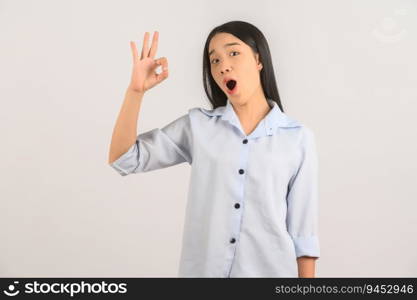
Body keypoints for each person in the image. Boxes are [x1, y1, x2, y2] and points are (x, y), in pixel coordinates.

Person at [108, 20, 320, 278]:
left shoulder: (297, 138)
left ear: (259, 60)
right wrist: (135, 91)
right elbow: (125, 158)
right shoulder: (198, 127)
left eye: (233, 53)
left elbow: (303, 236)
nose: (223, 66)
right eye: (215, 60)